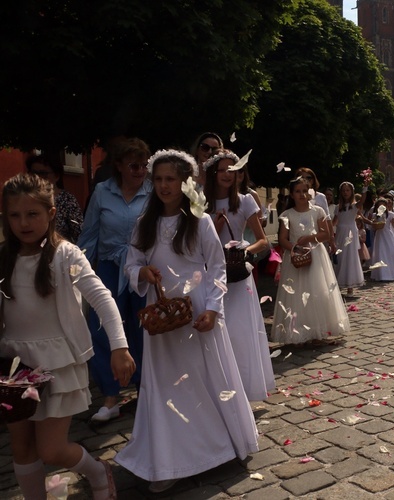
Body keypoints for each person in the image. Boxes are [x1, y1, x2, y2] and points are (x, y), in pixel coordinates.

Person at [117, 150, 258, 493]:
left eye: (172, 179)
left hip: (195, 311)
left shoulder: (199, 221)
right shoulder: (143, 224)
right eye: (159, 179)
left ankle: (216, 445)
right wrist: (142, 272)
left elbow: (217, 267)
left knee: (199, 379)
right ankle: (169, 458)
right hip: (162, 312)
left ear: (185, 183)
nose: (165, 186)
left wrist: (212, 309)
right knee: (166, 383)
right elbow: (131, 262)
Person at [0, 173, 135, 500]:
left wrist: (119, 346)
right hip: (14, 364)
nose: (24, 223)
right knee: (21, 445)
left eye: (32, 214)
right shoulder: (3, 257)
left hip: (57, 361)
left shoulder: (66, 256)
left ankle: (97, 470)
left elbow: (101, 297)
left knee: (51, 449)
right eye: (15, 215)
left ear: (50, 213)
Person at [78, 137, 152, 423]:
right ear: (119, 166)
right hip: (109, 268)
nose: (140, 171)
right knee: (100, 329)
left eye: (144, 165)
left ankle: (145, 388)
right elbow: (89, 235)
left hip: (142, 270)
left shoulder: (152, 192)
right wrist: (79, 273)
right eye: (134, 165)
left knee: (143, 327)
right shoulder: (102, 192)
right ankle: (110, 397)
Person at [203, 149, 275, 401]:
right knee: (215, 333)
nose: (226, 175)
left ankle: (243, 390)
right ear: (213, 173)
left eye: (232, 170)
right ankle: (218, 389)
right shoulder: (200, 203)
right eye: (221, 170)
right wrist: (215, 227)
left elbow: (263, 242)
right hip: (210, 276)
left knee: (239, 334)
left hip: (237, 275)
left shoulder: (245, 201)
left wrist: (244, 251)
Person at [271, 176, 350, 345]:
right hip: (296, 257)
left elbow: (326, 234)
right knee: (296, 294)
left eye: (305, 191)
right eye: (297, 192)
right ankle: (297, 332)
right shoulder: (287, 215)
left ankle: (317, 331)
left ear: (310, 193)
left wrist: (310, 237)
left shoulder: (317, 211)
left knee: (316, 291)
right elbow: (282, 238)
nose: (302, 195)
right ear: (291, 195)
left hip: (315, 255)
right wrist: (294, 248)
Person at [25, 154, 84, 243]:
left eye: (43, 174)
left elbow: (79, 232)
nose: (37, 177)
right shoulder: (24, 199)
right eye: (34, 173)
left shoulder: (67, 200)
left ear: (56, 176)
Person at [295, 167, 337, 258]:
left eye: (309, 178)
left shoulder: (320, 197)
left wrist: (332, 239)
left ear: (313, 180)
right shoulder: (294, 196)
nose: (305, 180)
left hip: (319, 237)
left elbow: (327, 218)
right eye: (302, 177)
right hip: (299, 237)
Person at [332, 181, 365, 295]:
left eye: (348, 190)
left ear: (351, 192)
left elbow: (362, 200)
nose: (345, 192)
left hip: (350, 233)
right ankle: (340, 283)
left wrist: (365, 187)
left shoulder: (355, 206)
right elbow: (334, 222)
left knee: (350, 258)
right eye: (343, 190)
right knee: (340, 257)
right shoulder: (338, 207)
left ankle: (350, 286)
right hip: (340, 234)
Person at [363, 198, 394, 282]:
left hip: (388, 236)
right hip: (379, 236)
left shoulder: (391, 214)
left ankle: (391, 273)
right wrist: (373, 223)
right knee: (380, 253)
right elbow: (370, 227)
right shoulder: (375, 215)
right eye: (379, 205)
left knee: (390, 253)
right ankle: (381, 274)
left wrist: (393, 223)